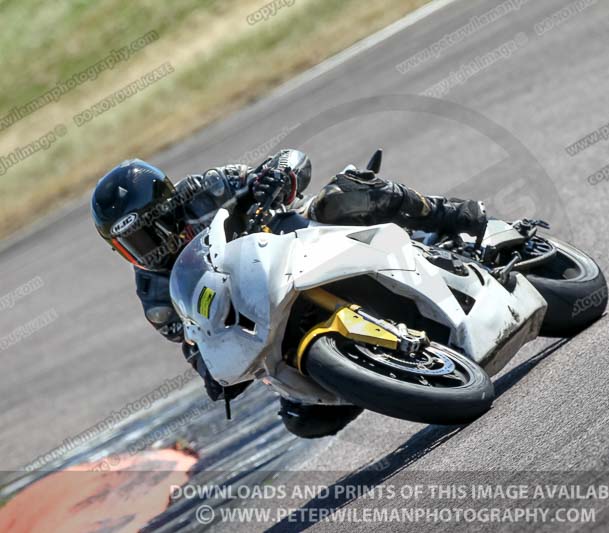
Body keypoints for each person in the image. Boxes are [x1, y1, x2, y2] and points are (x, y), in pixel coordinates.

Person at [90, 149, 486, 437]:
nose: (146, 247)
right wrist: (210, 370)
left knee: (341, 198)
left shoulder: (206, 190)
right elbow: (194, 339)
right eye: (130, 244)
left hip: (305, 239)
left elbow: (288, 160)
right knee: (305, 419)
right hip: (268, 308)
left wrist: (276, 177)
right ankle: (380, 370)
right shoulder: (156, 297)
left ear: (168, 206)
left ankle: (446, 214)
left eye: (149, 230)